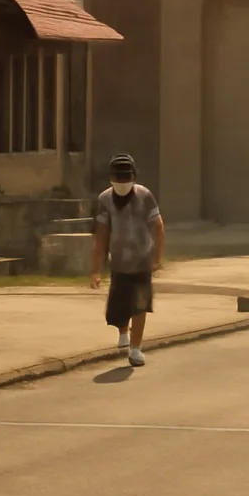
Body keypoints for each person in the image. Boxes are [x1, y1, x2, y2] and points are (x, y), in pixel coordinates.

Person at [90, 154, 165, 367]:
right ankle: (123, 331)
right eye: (118, 178)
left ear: (133, 177)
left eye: (126, 178)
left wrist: (157, 257)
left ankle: (135, 348)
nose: (122, 183)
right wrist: (96, 269)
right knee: (119, 306)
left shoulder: (145, 196)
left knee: (140, 305)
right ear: (111, 179)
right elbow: (101, 235)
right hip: (119, 262)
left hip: (142, 261)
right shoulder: (105, 200)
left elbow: (158, 227)